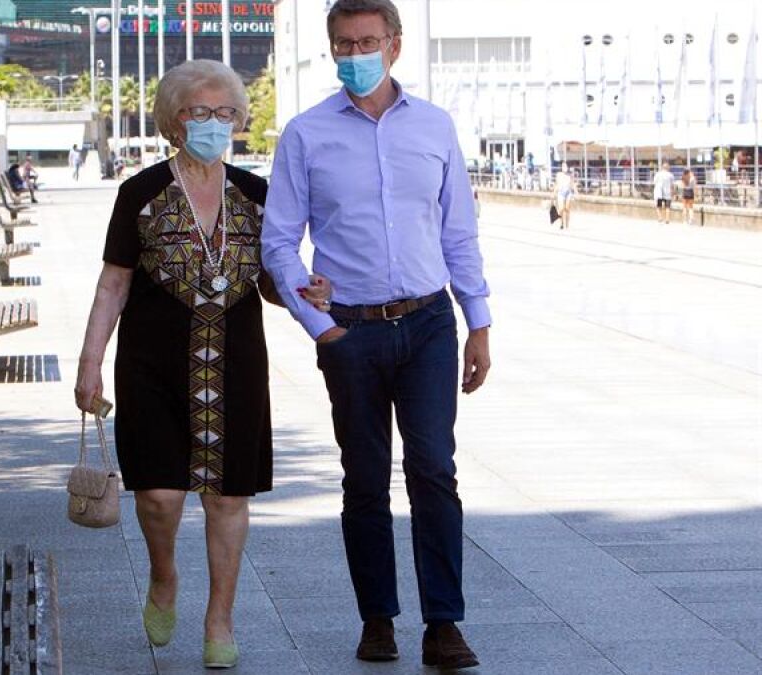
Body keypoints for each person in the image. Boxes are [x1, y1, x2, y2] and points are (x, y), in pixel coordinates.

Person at [261, 0, 490, 669]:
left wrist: (478, 321)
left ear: (394, 44)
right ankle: (378, 619)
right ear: (331, 49)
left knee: (434, 470)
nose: (355, 54)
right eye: (343, 44)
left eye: (367, 41)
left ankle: (444, 623)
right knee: (363, 479)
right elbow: (279, 242)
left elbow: (458, 231)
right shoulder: (305, 134)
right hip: (351, 333)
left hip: (428, 323)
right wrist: (320, 325)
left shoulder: (435, 126)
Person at [75, 59, 324, 669]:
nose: (214, 123)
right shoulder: (140, 193)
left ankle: (220, 618)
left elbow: (272, 281)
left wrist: (306, 291)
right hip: (152, 364)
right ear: (174, 120)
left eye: (225, 112)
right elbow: (113, 283)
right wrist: (89, 362)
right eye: (200, 112)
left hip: (236, 364)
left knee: (228, 497)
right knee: (159, 496)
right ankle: (164, 576)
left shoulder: (257, 194)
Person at [553, 165, 575, 230]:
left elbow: (572, 184)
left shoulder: (570, 175)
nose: (565, 168)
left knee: (567, 209)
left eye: (566, 167)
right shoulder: (558, 175)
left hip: (568, 193)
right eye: (563, 166)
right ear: (561, 168)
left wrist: (576, 192)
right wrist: (554, 193)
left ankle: (567, 225)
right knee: (561, 209)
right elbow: (556, 184)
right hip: (561, 193)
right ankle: (561, 223)